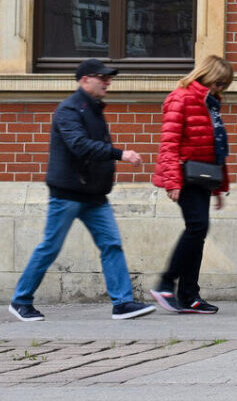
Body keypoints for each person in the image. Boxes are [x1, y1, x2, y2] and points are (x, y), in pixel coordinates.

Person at [10, 58, 155, 321]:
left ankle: (122, 303)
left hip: (95, 196)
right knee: (50, 247)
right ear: (84, 80)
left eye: (109, 78)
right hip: (67, 194)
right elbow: (80, 145)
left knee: (111, 244)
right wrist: (120, 154)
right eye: (102, 77)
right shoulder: (69, 110)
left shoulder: (93, 108)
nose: (107, 82)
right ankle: (21, 300)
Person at [150, 53, 233, 314]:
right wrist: (173, 181)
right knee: (197, 227)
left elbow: (217, 146)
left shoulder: (211, 103)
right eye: (218, 83)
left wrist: (218, 187)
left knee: (199, 232)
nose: (220, 89)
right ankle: (166, 284)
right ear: (206, 75)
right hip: (184, 175)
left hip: (203, 176)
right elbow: (169, 143)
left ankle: (189, 295)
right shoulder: (181, 97)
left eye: (223, 85)